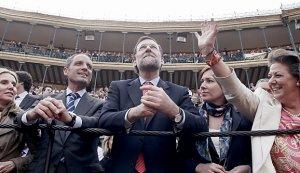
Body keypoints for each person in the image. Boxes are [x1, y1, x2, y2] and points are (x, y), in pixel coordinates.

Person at [194, 22, 300, 173]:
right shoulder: (263, 107)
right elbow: (236, 91)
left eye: (278, 75)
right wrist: (210, 53)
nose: (271, 81)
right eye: (269, 76)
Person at [99, 36, 207, 173]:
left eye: (153, 47)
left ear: (162, 60)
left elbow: (200, 126)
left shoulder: (179, 92)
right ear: (134, 61)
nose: (148, 48)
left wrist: (174, 111)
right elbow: (103, 120)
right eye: (142, 48)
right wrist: (133, 113)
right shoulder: (118, 87)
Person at [17, 53, 104, 173]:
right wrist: (33, 114)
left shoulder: (100, 104)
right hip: (45, 166)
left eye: (89, 67)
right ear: (65, 70)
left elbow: (98, 123)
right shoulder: (46, 98)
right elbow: (19, 118)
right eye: (79, 63)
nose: (85, 68)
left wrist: (70, 119)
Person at [185, 67, 252, 173]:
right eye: (202, 81)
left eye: (209, 81)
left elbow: (256, 153)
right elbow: (181, 156)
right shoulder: (193, 117)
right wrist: (198, 167)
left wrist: (248, 168)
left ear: (225, 85)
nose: (202, 86)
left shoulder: (244, 116)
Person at [0, 67, 36, 173]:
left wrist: (15, 163)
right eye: (4, 82)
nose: (11, 87)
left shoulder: (22, 117)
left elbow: (37, 153)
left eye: (13, 84)